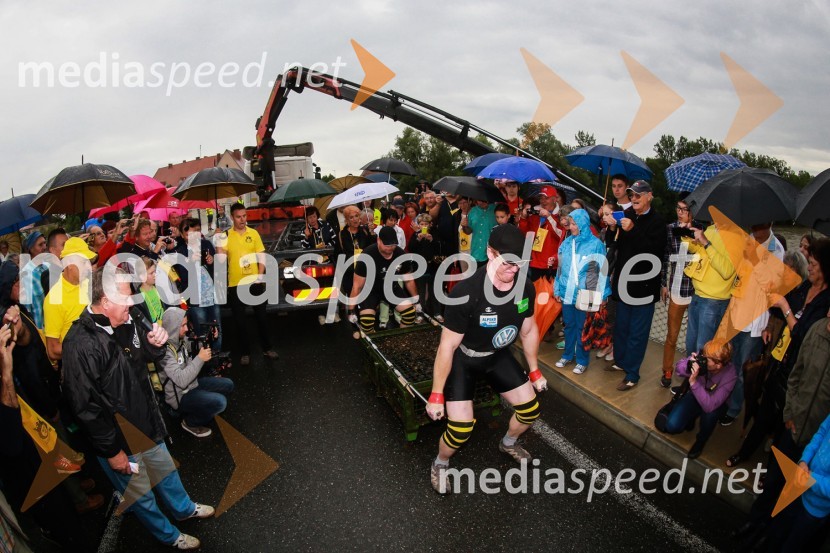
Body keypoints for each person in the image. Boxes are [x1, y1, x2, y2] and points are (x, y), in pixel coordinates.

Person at [61, 268, 213, 550]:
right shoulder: (79, 344)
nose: (132, 301)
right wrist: (112, 451)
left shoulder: (127, 321)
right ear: (105, 301)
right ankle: (169, 536)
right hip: (119, 440)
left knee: (167, 472)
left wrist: (156, 346)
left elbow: (145, 358)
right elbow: (85, 408)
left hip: (146, 422)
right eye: (126, 295)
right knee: (141, 495)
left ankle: (183, 509)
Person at [426, 224, 548, 493]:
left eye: (520, 264)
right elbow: (447, 347)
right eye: (508, 263)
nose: (514, 270)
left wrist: (535, 370)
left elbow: (528, 331)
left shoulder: (524, 286)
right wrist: (436, 394)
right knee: (460, 430)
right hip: (464, 359)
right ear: (491, 254)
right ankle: (440, 462)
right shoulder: (465, 292)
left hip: (496, 356)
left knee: (530, 410)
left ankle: (508, 442)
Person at [0, 323, 96, 552]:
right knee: (63, 524)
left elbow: (26, 341)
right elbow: (11, 441)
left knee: (65, 503)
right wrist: (6, 372)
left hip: (33, 440)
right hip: (26, 475)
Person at [601, 180, 667, 391]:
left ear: (649, 196)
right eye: (632, 195)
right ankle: (620, 361)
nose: (634, 198)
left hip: (643, 288)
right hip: (624, 283)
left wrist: (633, 229)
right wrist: (612, 227)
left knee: (638, 332)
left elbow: (653, 253)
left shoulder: (658, 222)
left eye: (638, 195)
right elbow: (614, 243)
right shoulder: (627, 216)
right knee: (621, 327)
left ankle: (632, 374)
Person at [719, 222, 785, 426]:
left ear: (770, 224)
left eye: (760, 226)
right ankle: (724, 398)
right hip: (736, 312)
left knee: (743, 370)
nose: (755, 230)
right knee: (728, 361)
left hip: (755, 321)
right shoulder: (747, 240)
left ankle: (734, 408)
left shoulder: (777, 250)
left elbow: (772, 286)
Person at [215, 203, 278, 365]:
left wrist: (260, 274)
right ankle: (245, 352)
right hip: (235, 284)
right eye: (238, 216)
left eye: (244, 216)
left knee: (262, 318)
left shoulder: (254, 233)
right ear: (232, 217)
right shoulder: (226, 235)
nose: (242, 219)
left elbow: (261, 255)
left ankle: (267, 348)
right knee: (240, 321)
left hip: (255, 282)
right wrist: (218, 241)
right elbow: (221, 260)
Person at [158, 307, 234, 438]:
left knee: (228, 384)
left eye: (186, 324)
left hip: (192, 385)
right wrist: (200, 359)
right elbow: (181, 380)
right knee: (220, 403)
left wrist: (210, 337)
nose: (187, 329)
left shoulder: (180, 340)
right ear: (173, 328)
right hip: (180, 396)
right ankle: (190, 423)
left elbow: (197, 346)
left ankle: (202, 404)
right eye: (182, 326)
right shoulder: (164, 353)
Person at [553, 209, 609, 375]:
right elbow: (560, 268)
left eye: (574, 223)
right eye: (570, 223)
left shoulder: (596, 244)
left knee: (583, 328)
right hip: (567, 291)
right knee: (569, 325)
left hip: (586, 292)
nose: (571, 226)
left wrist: (603, 294)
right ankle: (568, 354)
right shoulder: (566, 243)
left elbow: (602, 270)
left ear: (583, 223)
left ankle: (582, 360)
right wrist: (557, 288)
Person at [661, 340, 737, 458]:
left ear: (718, 365)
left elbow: (710, 405)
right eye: (703, 355)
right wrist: (688, 365)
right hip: (695, 396)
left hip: (715, 404)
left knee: (710, 415)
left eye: (708, 359)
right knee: (672, 426)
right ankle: (691, 418)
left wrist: (693, 382)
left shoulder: (730, 376)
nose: (703, 358)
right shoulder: (704, 356)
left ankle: (701, 440)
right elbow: (679, 370)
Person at [682, 214, 736, 354]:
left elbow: (727, 271)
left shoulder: (738, 237)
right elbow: (697, 250)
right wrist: (686, 234)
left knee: (704, 351)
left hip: (714, 301)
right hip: (698, 295)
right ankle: (691, 375)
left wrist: (706, 243)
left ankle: (700, 376)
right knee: (691, 346)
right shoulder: (711, 228)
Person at [349, 226, 419, 333]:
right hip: (370, 290)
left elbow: (409, 280)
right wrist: (351, 310)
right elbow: (357, 286)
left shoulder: (400, 255)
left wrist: (416, 301)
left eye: (393, 245)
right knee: (367, 322)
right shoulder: (367, 255)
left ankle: (403, 340)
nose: (390, 248)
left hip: (391, 288)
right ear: (378, 240)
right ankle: (372, 344)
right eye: (387, 245)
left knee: (409, 314)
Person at [659, 198, 696, 387]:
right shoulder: (670, 228)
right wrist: (663, 284)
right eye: (678, 208)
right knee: (672, 335)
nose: (680, 212)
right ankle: (667, 370)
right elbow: (665, 257)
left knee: (695, 338)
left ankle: (693, 374)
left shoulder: (700, 230)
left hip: (697, 291)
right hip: (676, 288)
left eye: (685, 209)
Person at [43, 237, 96, 362]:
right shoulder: (54, 299)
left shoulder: (90, 285)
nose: (89, 267)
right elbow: (52, 350)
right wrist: (88, 348)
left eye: (88, 262)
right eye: (83, 262)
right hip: (78, 369)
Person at [180, 218, 222, 352]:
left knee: (217, 329)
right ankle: (205, 363)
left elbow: (218, 270)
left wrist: (212, 262)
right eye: (190, 233)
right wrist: (190, 262)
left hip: (212, 295)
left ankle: (217, 362)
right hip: (195, 299)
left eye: (197, 231)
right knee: (202, 333)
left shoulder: (206, 245)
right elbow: (182, 277)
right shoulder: (180, 251)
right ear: (183, 235)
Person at [517, 185, 567, 282]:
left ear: (554, 199)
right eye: (541, 198)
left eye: (546, 198)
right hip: (534, 262)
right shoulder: (534, 213)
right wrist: (523, 218)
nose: (543, 201)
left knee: (548, 295)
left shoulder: (561, 215)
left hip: (551, 264)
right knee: (533, 294)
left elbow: (561, 235)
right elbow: (524, 235)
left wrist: (549, 217)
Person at [408, 213, 441, 320]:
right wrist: (418, 238)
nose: (424, 226)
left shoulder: (434, 234)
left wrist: (431, 240)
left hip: (433, 266)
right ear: (419, 225)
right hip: (419, 267)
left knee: (434, 290)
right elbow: (411, 248)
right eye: (422, 224)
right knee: (420, 291)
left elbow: (439, 248)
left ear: (430, 224)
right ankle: (420, 313)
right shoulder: (416, 234)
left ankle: (437, 313)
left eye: (426, 224)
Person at [463, 199, 497, 268]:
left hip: (493, 253)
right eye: (479, 200)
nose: (482, 202)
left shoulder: (496, 209)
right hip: (476, 252)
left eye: (484, 200)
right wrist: (464, 226)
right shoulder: (472, 211)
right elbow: (468, 232)